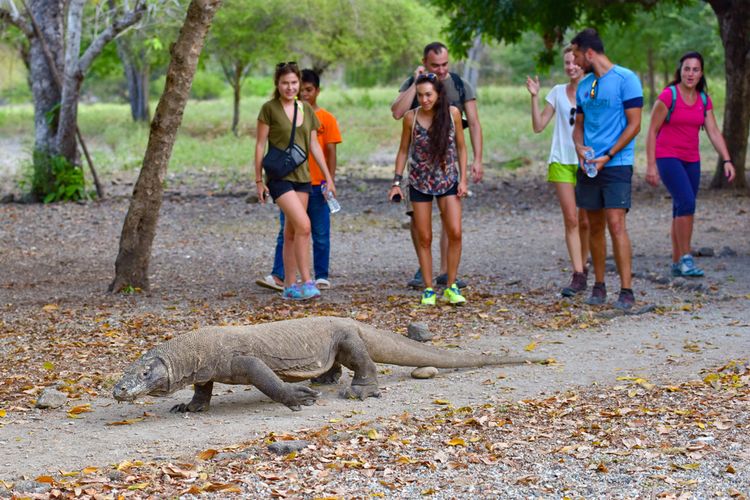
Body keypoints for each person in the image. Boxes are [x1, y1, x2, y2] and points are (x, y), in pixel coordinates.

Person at [391, 42, 483, 290]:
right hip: (419, 173)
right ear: (425, 62)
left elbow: (473, 124)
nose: (441, 70)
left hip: (447, 173)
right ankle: (427, 272)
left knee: (451, 224)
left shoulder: (460, 87)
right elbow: (398, 112)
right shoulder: (415, 89)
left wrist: (476, 161)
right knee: (420, 226)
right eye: (435, 65)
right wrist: (416, 82)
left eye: (445, 65)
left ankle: (445, 272)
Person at [570, 28, 643, 310]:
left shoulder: (627, 79)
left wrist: (608, 155)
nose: (574, 62)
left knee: (616, 224)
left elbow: (635, 125)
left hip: (617, 164)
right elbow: (578, 127)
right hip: (589, 167)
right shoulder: (585, 86)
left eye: (577, 55)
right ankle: (599, 286)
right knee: (594, 226)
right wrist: (579, 148)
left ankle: (626, 290)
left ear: (589, 52)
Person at [645, 52, 736, 277]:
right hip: (667, 157)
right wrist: (650, 165)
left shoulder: (703, 100)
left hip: (692, 159)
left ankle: (677, 262)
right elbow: (652, 131)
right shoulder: (669, 96)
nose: (690, 73)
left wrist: (727, 159)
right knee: (686, 202)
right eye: (687, 69)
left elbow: (713, 131)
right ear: (680, 70)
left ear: (701, 73)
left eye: (695, 70)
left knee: (682, 206)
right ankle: (686, 258)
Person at [254, 62, 336, 300]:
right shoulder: (269, 109)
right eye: (284, 83)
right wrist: (259, 180)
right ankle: (307, 280)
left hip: (303, 178)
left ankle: (290, 286)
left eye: (293, 83)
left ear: (299, 83)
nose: (289, 87)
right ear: (277, 84)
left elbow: (313, 146)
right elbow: (260, 145)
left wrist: (328, 177)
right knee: (304, 226)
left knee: (291, 232)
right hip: (279, 178)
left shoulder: (306, 109)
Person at [388, 73, 468, 306]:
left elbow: (462, 148)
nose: (424, 99)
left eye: (429, 95)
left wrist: (463, 179)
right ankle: (429, 288)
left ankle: (451, 285)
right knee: (424, 237)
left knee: (455, 231)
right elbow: (403, 150)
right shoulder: (410, 118)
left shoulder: (452, 115)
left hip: (448, 181)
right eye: (421, 95)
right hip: (419, 182)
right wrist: (396, 182)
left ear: (439, 94)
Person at [526, 46, 591, 297]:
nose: (571, 66)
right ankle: (577, 273)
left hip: (586, 160)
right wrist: (534, 96)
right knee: (572, 219)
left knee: (586, 220)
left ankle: (584, 265)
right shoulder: (556, 92)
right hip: (562, 160)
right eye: (567, 63)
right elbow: (538, 126)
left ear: (584, 63)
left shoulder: (594, 91)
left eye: (575, 62)